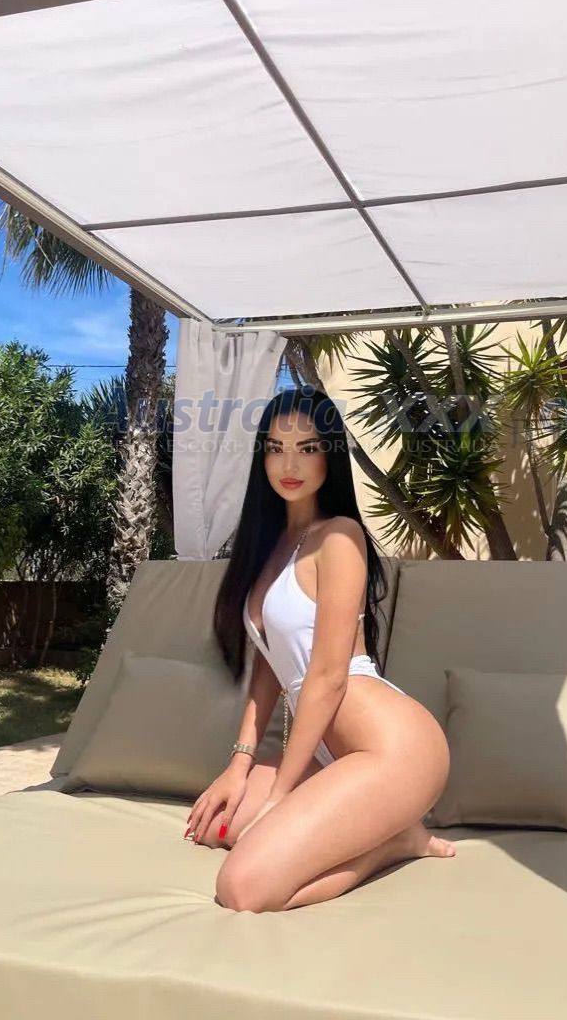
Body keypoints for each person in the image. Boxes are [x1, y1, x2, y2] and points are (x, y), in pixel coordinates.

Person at [184, 386, 455, 912]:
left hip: (394, 747)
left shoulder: (340, 538)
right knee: (218, 826)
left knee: (243, 888)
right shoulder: (270, 547)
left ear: (330, 456)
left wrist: (279, 796)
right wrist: (239, 765)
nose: (290, 464)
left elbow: (328, 678)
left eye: (307, 448)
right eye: (276, 448)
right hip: (331, 751)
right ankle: (388, 829)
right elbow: (270, 664)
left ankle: (395, 840)